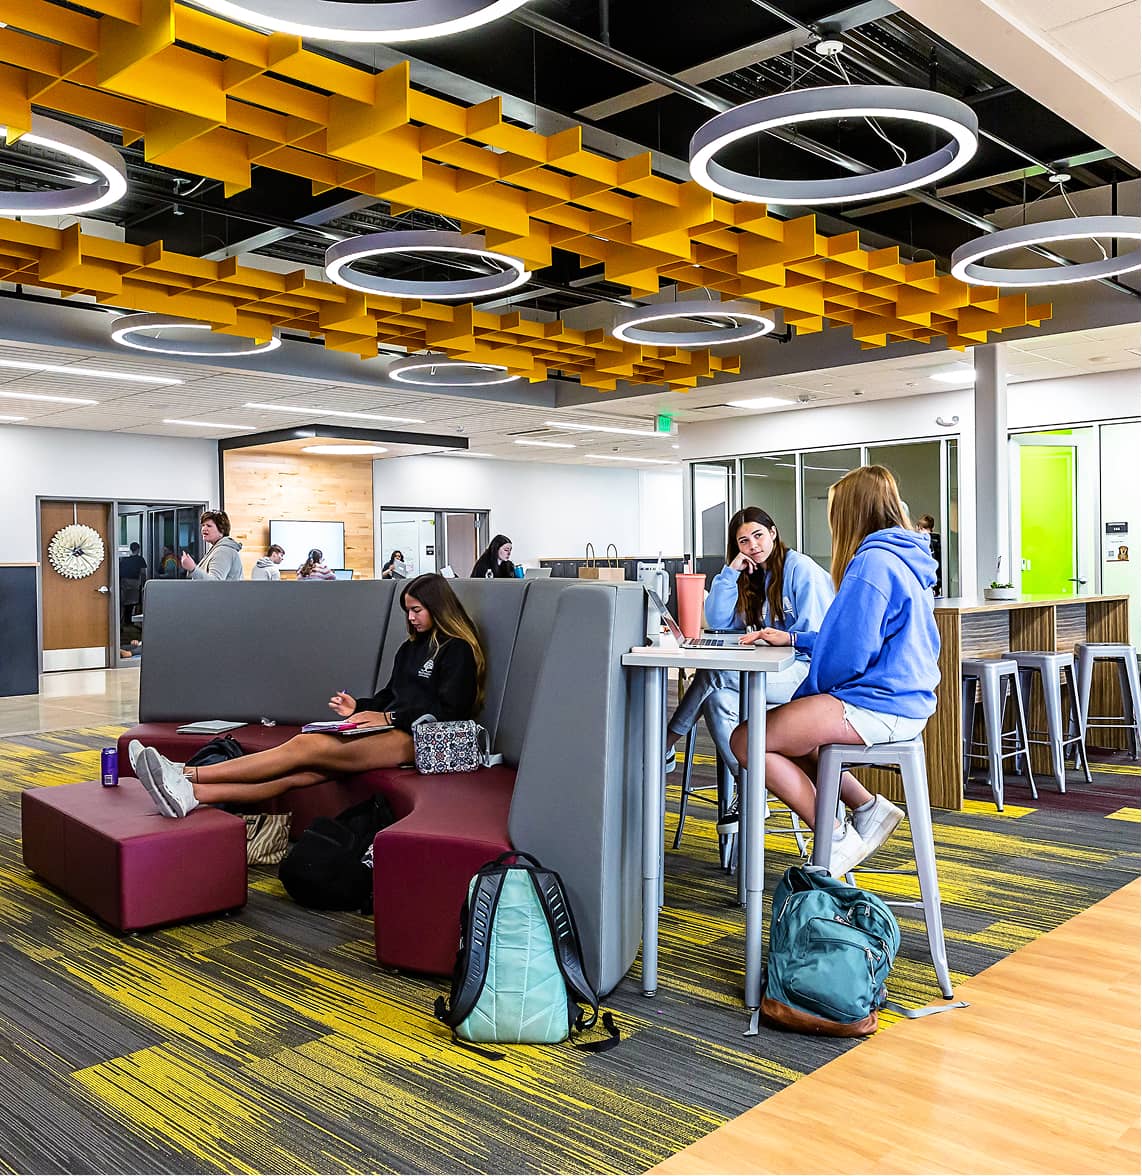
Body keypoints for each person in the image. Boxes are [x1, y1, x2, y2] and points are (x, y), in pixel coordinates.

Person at [728, 465, 940, 878]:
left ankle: (837, 834)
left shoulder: (871, 563)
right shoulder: (904, 557)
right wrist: (795, 640)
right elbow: (854, 637)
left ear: (850, 514)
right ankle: (866, 807)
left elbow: (846, 657)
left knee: (747, 739)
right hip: (906, 698)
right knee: (792, 733)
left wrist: (808, 694)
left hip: (878, 702)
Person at [129, 573, 486, 817]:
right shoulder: (411, 648)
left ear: (438, 608)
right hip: (388, 729)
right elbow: (390, 694)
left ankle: (186, 774)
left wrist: (391, 718)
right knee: (301, 771)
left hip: (420, 740)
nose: (410, 619)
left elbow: (451, 708)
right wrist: (359, 707)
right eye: (407, 611)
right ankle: (193, 796)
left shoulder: (456, 649)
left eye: (416, 611)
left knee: (304, 746)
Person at [665, 507, 834, 781]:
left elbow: (825, 641)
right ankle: (749, 791)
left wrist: (790, 638)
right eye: (744, 541)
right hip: (774, 673)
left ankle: (666, 743)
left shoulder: (801, 570)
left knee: (715, 672)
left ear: (773, 534)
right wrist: (731, 572)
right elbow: (719, 619)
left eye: (758, 535)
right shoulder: (752, 576)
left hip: (807, 674)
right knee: (716, 700)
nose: (753, 545)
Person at [180, 511, 243, 581]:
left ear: (221, 530)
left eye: (209, 526)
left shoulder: (223, 551)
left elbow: (215, 584)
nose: (204, 529)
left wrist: (192, 568)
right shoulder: (217, 549)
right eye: (203, 525)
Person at [118, 541, 147, 629]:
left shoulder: (124, 559)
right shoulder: (140, 559)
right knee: (132, 601)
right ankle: (129, 621)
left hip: (124, 582)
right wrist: (144, 584)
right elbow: (143, 572)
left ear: (130, 549)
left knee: (124, 602)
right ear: (138, 549)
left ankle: (123, 622)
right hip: (135, 582)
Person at [916, 513, 943, 596]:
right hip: (936, 585)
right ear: (932, 528)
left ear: (918, 527)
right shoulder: (939, 542)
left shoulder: (919, 543)